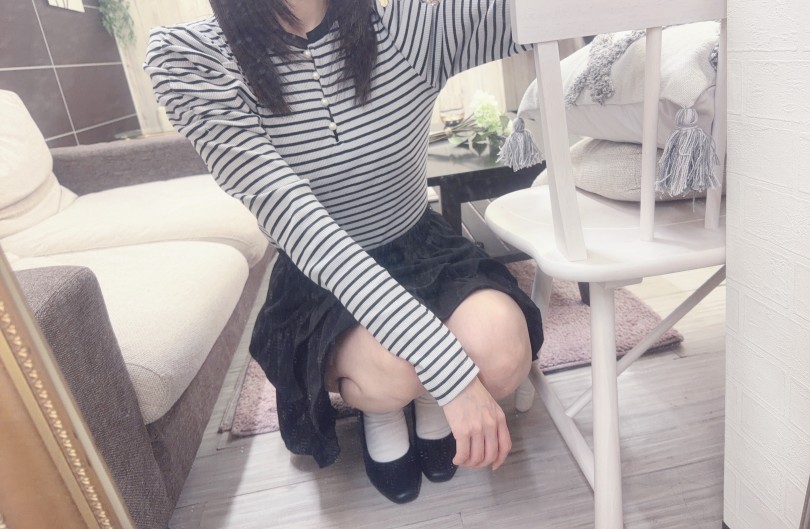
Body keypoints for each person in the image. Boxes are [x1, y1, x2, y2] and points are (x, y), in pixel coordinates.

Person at [144, 0, 544, 504]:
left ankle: (427, 401)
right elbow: (297, 222)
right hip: (319, 274)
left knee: (503, 355)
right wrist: (452, 374)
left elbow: (541, 13)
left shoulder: (403, 25)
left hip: (418, 244)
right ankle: (384, 407)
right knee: (394, 369)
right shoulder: (195, 57)